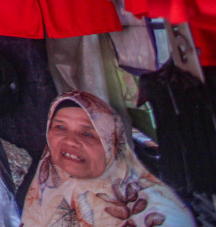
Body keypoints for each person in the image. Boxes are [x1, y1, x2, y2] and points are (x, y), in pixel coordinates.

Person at [22, 90, 196, 227]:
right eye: (60, 127)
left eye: (87, 133)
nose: (70, 141)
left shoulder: (153, 208)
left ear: (111, 142)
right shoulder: (45, 190)